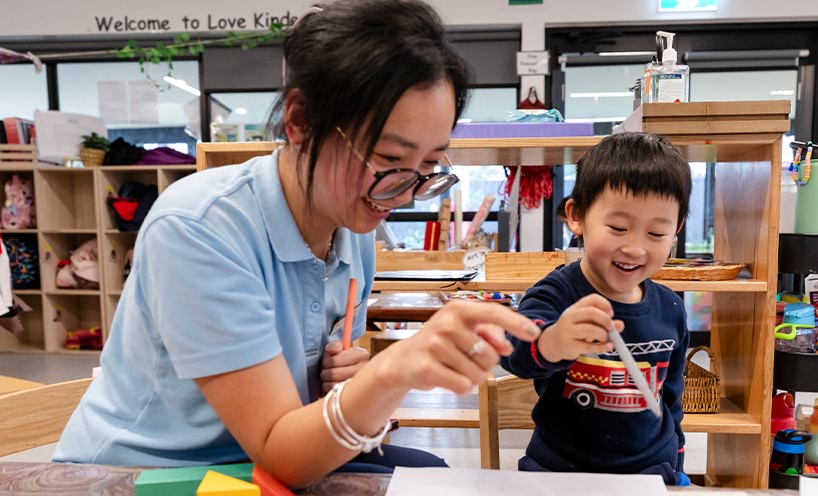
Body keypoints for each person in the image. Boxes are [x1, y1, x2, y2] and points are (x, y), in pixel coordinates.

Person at [53, 0, 542, 487]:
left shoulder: (352, 227)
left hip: (261, 463)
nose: (404, 191)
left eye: (430, 167)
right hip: (148, 473)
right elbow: (281, 456)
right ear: (300, 122)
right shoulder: (201, 228)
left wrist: (347, 385)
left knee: (434, 475)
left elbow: (306, 416)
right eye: (390, 158)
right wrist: (390, 373)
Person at [501, 132, 692, 485]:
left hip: (650, 468)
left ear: (676, 229)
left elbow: (671, 397)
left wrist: (676, 461)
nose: (635, 249)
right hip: (559, 467)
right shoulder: (557, 293)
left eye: (656, 234)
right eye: (618, 228)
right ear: (576, 216)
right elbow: (511, 349)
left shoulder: (671, 307)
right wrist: (551, 341)